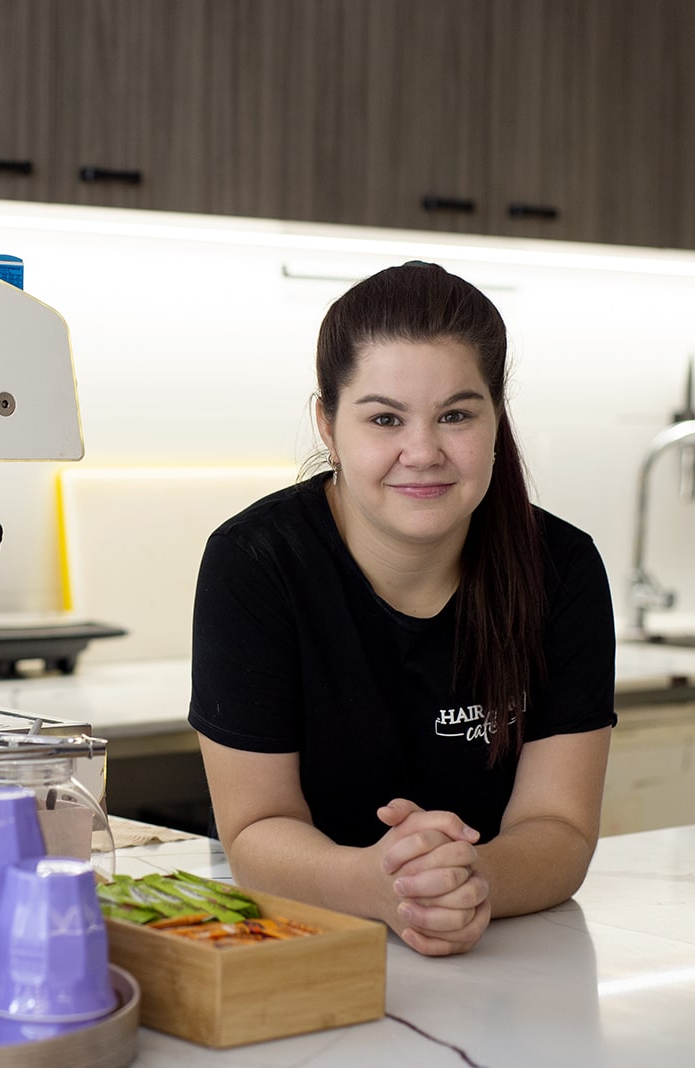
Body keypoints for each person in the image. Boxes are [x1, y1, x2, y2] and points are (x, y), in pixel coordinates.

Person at [188, 262, 616, 957]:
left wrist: (469, 882)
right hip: (306, 953)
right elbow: (255, 831)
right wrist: (377, 882)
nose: (422, 451)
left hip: (507, 967)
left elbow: (560, 829)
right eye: (384, 418)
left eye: (455, 415)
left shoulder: (558, 569)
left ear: (495, 419)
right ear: (326, 423)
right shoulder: (256, 563)